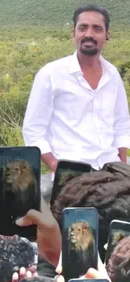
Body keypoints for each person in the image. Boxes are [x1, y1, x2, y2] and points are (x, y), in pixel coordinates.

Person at [22, 3, 130, 177]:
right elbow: (33, 131)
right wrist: (58, 168)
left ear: (106, 35)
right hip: (72, 174)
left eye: (97, 29)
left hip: (112, 169)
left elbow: (121, 124)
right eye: (83, 28)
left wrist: (123, 168)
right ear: (74, 34)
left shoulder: (112, 75)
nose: (89, 34)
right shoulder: (51, 74)